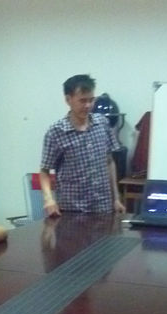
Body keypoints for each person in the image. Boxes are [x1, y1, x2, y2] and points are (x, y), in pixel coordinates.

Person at [39, 74, 124, 216]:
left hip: (103, 207)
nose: (88, 105)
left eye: (91, 100)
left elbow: (109, 162)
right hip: (71, 209)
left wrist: (116, 198)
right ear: (68, 100)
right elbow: (44, 171)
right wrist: (49, 199)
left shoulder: (102, 124)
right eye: (82, 101)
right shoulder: (56, 132)